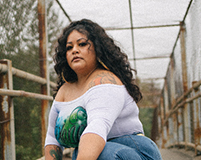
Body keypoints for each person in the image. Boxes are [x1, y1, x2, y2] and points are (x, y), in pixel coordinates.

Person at [44, 19, 162, 160]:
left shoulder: (104, 82)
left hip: (133, 152)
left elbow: (97, 126)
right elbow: (52, 138)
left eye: (82, 44)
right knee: (84, 151)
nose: (74, 50)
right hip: (93, 150)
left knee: (101, 152)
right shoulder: (64, 90)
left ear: (97, 48)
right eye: (69, 48)